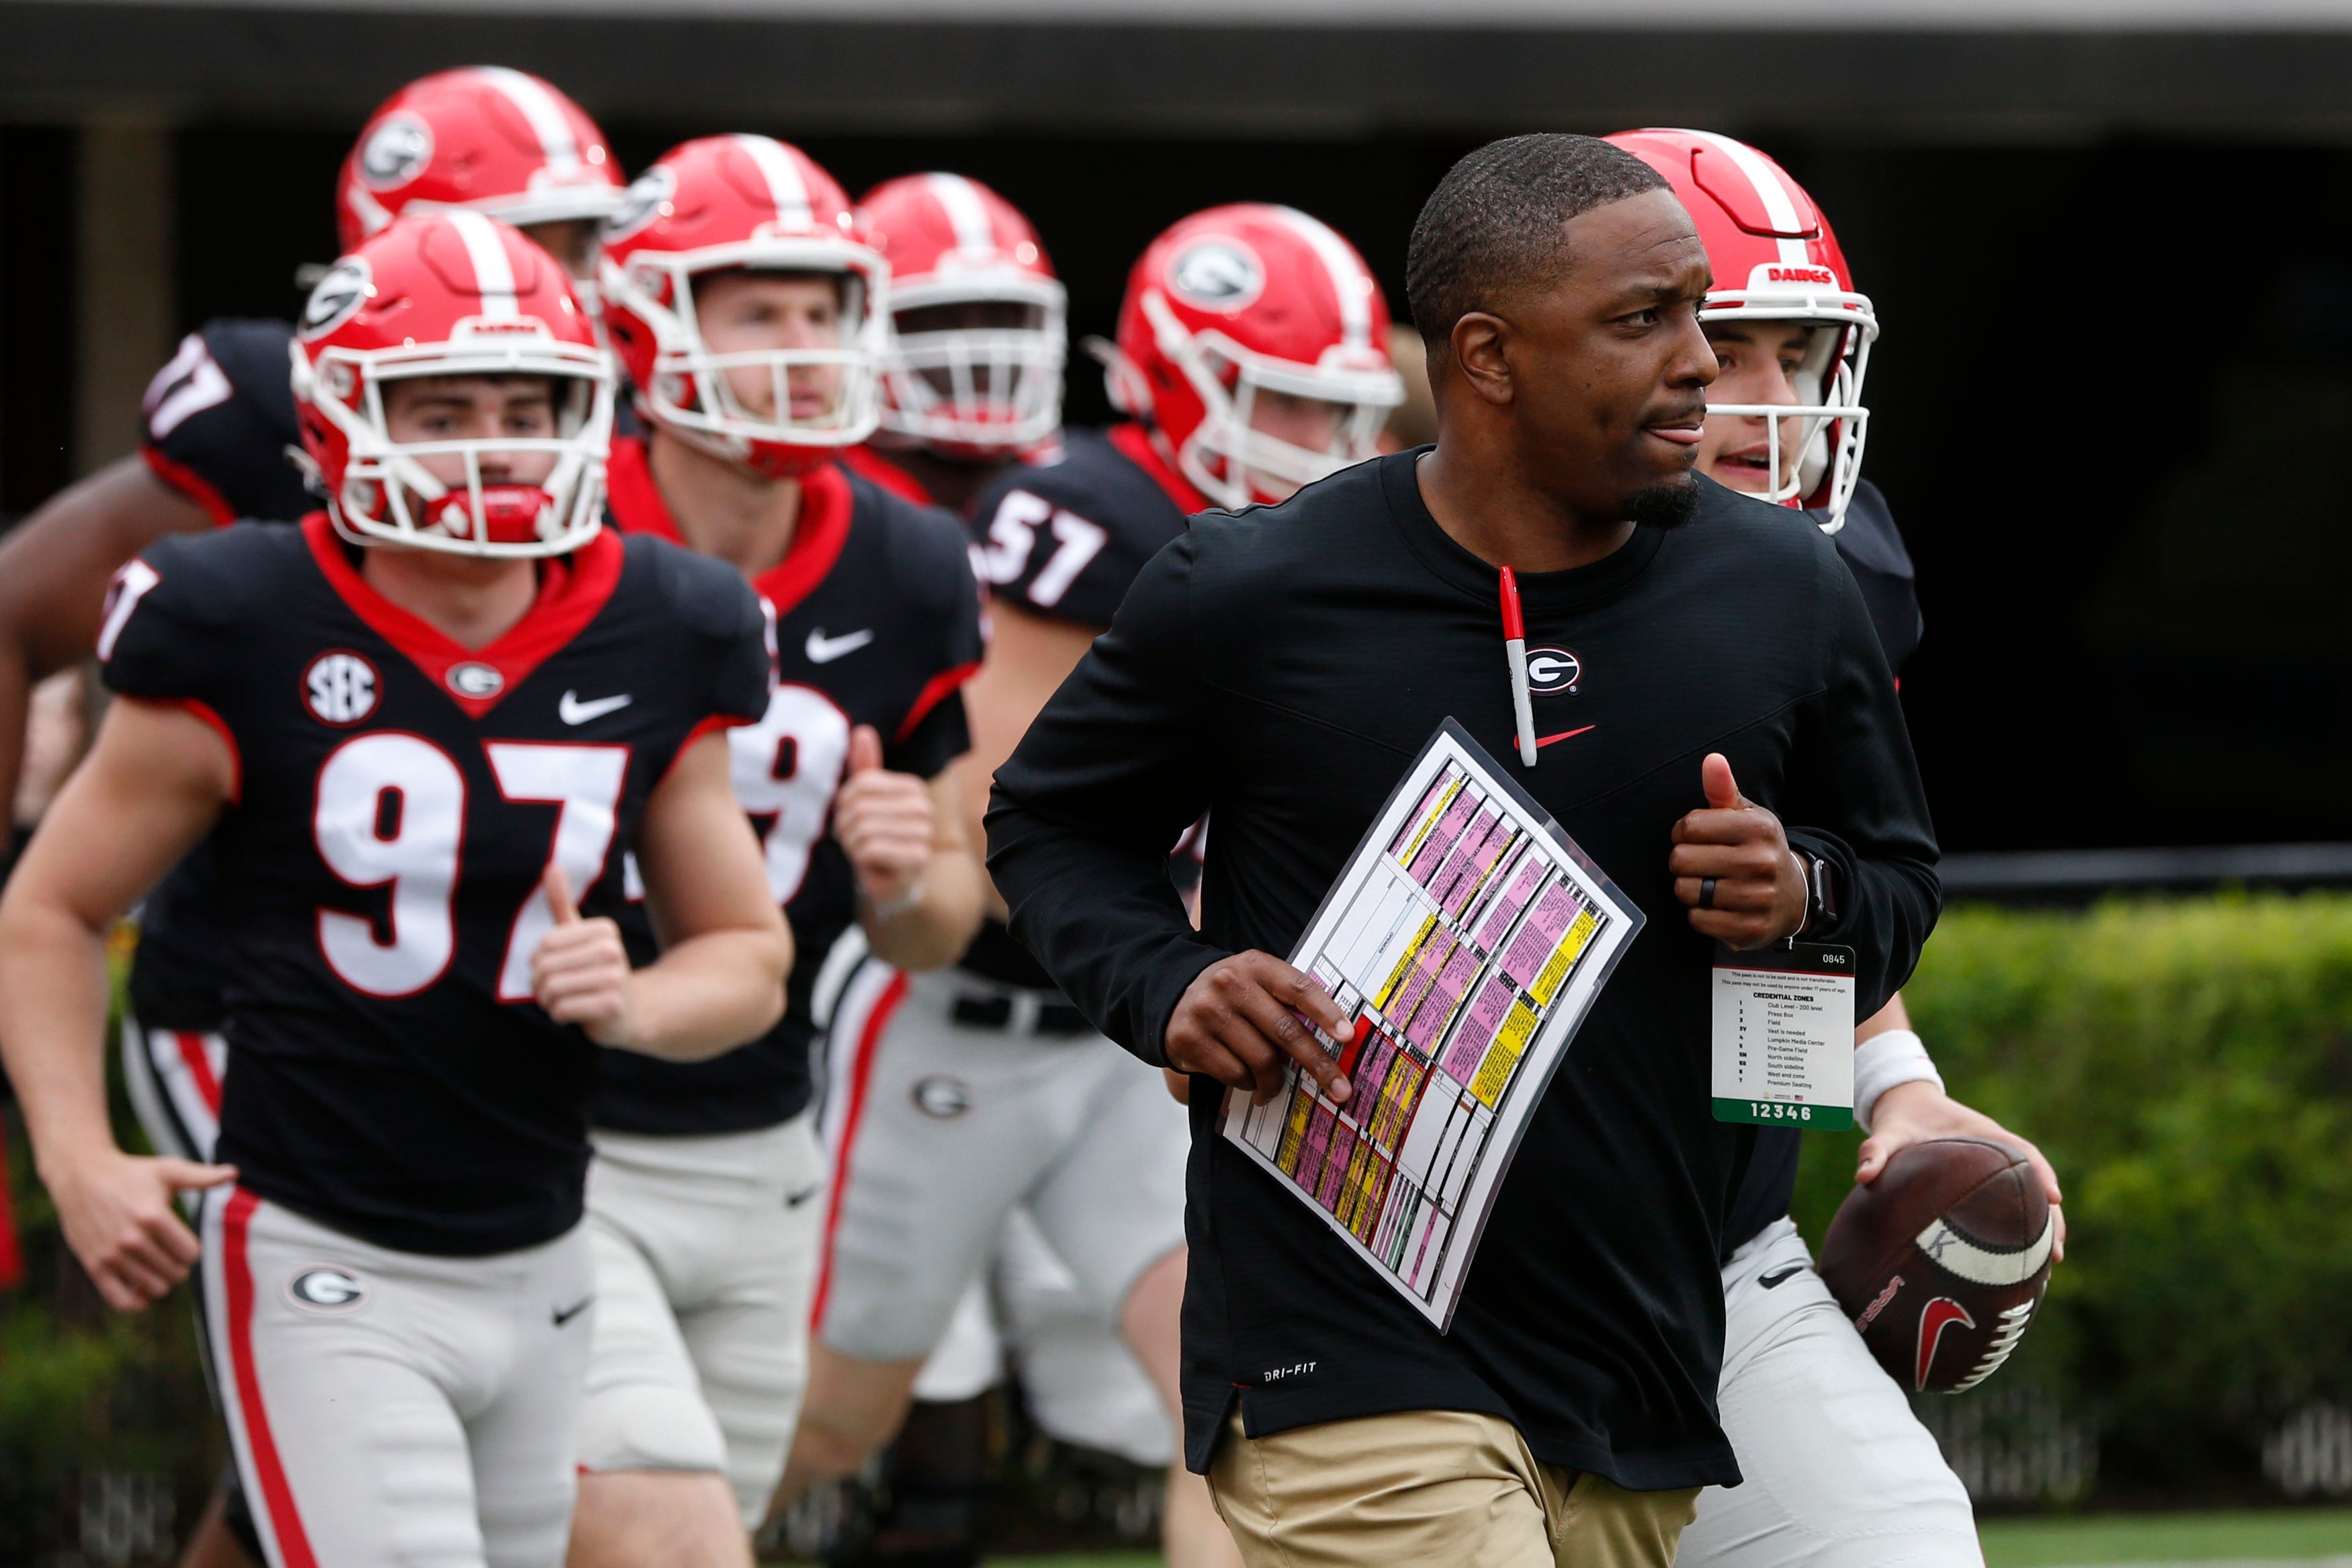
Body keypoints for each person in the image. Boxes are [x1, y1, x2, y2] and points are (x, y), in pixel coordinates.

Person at [984, 134, 1944, 1568]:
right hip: (1350, 1320)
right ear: (1486, 356)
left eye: (1734, 330)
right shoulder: (1253, 586)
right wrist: (1165, 981)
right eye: (1656, 325)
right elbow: (1049, 818)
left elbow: (1889, 889)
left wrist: (1811, 912)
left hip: (1667, 1313)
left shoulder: (1791, 588)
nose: (1708, 373)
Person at [0, 212, 792, 1568]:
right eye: (440, 405)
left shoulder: (670, 621)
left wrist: (641, 1002)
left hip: (547, 1246)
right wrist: (77, 1156)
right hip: (323, 1243)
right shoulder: (240, 613)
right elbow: (53, 908)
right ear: (335, 423)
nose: (489, 439)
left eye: (524, 401)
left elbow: (746, 952)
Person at [780, 202, 1403, 1568]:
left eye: (1337, 412)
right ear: (1176, 381)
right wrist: (1193, 960)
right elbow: (1013, 820)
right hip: (961, 1023)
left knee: (1245, 1401)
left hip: (1131, 1045)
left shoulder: (1335, 545)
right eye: (1283, 405)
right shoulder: (1082, 510)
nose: (1319, 448)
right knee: (820, 1424)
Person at [1607, 126, 2062, 1568]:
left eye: (1794, 356)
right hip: (1442, 1300)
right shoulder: (1418, 582)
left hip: (1706, 1267)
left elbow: (1807, 915)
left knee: (1898, 1545)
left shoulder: (1836, 577)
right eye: (1715, 352)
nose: (1762, 405)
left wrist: (1899, 1088)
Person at [574, 134, 988, 1568]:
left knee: (701, 1517)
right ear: (643, 322)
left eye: (824, 309)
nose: (804, 348)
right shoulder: (548, 530)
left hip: (762, 1141)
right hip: (551, 1131)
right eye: (758, 310)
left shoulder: (908, 559)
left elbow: (936, 924)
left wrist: (897, 878)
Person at [840, 171, 1068, 517]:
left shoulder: (1079, 496)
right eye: (935, 320)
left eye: (1002, 318)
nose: (983, 355)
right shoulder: (830, 504)